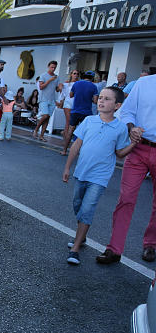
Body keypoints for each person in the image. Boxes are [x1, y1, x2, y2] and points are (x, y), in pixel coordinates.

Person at [62, 86, 135, 265]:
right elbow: (77, 145)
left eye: (107, 99)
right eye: (100, 98)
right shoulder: (88, 121)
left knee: (88, 209)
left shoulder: (120, 128)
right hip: (82, 172)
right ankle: (83, 235)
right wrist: (67, 168)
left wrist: (133, 144)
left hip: (100, 177)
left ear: (117, 105)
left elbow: (119, 153)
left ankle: (75, 249)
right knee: (77, 205)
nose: (101, 101)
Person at [97, 74, 156, 263]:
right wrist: (132, 128)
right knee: (127, 198)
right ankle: (114, 248)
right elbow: (128, 111)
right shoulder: (144, 83)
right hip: (139, 147)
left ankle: (151, 244)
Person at [60, 71, 98, 155]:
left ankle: (64, 150)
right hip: (86, 112)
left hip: (75, 110)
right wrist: (89, 98)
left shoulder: (76, 84)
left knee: (70, 130)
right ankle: (81, 151)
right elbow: (95, 101)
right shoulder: (94, 86)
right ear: (92, 78)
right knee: (85, 132)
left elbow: (71, 95)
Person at [33, 60, 61, 141]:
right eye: (52, 67)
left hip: (52, 100)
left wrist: (60, 87)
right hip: (43, 99)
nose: (53, 69)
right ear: (48, 66)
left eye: (54, 67)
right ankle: (36, 129)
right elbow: (41, 87)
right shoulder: (43, 76)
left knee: (47, 118)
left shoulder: (56, 77)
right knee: (45, 115)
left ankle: (42, 135)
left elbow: (56, 89)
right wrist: (50, 80)